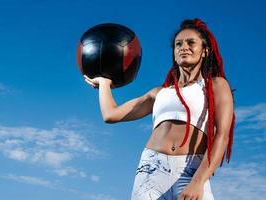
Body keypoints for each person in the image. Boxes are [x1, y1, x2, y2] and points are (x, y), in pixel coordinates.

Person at [84, 18, 235, 200]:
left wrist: (198, 182)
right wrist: (104, 83)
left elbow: (222, 136)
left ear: (205, 52)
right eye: (178, 44)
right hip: (151, 169)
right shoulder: (159, 93)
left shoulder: (216, 86)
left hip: (191, 170)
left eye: (191, 42)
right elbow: (111, 114)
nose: (183, 47)